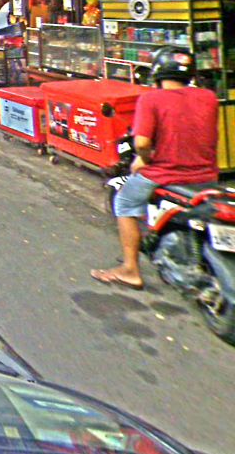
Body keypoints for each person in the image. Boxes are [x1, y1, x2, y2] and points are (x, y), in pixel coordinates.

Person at [91, 46, 219, 290]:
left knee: (125, 202)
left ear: (158, 72)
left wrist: (143, 159)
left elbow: (142, 143)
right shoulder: (209, 97)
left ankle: (130, 269)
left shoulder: (151, 99)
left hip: (165, 174)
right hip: (207, 175)